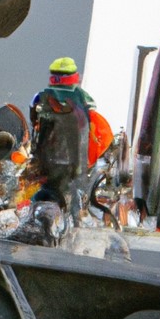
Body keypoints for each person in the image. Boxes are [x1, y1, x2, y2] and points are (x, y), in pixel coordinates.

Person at [29, 56, 113, 210]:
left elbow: (34, 120)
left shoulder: (41, 97)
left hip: (53, 163)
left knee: (49, 195)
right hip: (74, 164)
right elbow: (98, 127)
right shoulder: (83, 99)